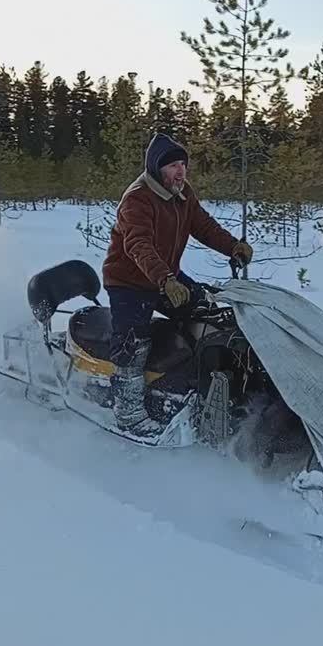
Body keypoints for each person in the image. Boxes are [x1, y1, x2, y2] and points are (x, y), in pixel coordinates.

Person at [102, 132, 253, 436]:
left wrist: (233, 246)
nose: (181, 171)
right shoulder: (138, 199)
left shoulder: (182, 195)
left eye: (183, 164)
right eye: (172, 166)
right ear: (157, 168)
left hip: (166, 276)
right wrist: (165, 279)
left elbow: (205, 227)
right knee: (133, 345)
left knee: (209, 316)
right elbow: (138, 245)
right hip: (129, 282)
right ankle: (129, 413)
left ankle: (202, 388)